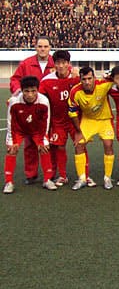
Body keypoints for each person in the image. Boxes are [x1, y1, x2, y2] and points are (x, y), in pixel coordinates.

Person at [9, 36, 55, 185]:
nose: (43, 49)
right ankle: (31, 174)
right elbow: (15, 80)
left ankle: (50, 173)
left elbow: (67, 75)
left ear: (50, 48)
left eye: (45, 46)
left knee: (50, 140)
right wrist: (18, 94)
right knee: (30, 142)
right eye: (40, 46)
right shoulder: (26, 63)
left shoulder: (56, 63)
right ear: (36, 47)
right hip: (31, 108)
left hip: (51, 106)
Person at [4, 76, 54, 194]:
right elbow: (10, 123)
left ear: (37, 90)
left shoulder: (43, 101)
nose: (30, 95)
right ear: (22, 91)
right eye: (26, 91)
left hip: (37, 129)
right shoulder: (14, 101)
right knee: (12, 150)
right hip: (19, 129)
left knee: (44, 148)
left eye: (33, 91)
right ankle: (9, 182)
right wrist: (12, 142)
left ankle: (47, 180)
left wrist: (42, 141)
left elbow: (45, 123)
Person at [68, 67, 115, 191]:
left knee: (108, 144)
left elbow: (118, 76)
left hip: (105, 119)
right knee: (79, 145)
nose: (87, 82)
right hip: (88, 120)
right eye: (84, 79)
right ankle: (82, 178)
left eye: (90, 78)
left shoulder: (103, 84)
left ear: (94, 78)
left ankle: (107, 178)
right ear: (80, 80)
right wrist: (78, 132)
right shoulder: (75, 92)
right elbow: (72, 113)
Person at [39, 50, 80, 186]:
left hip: (75, 120)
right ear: (54, 64)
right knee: (59, 147)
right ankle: (62, 175)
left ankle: (83, 175)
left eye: (64, 63)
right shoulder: (47, 81)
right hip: (57, 121)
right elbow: (39, 99)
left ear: (69, 64)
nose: (61, 66)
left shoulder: (77, 78)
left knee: (80, 145)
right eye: (58, 63)